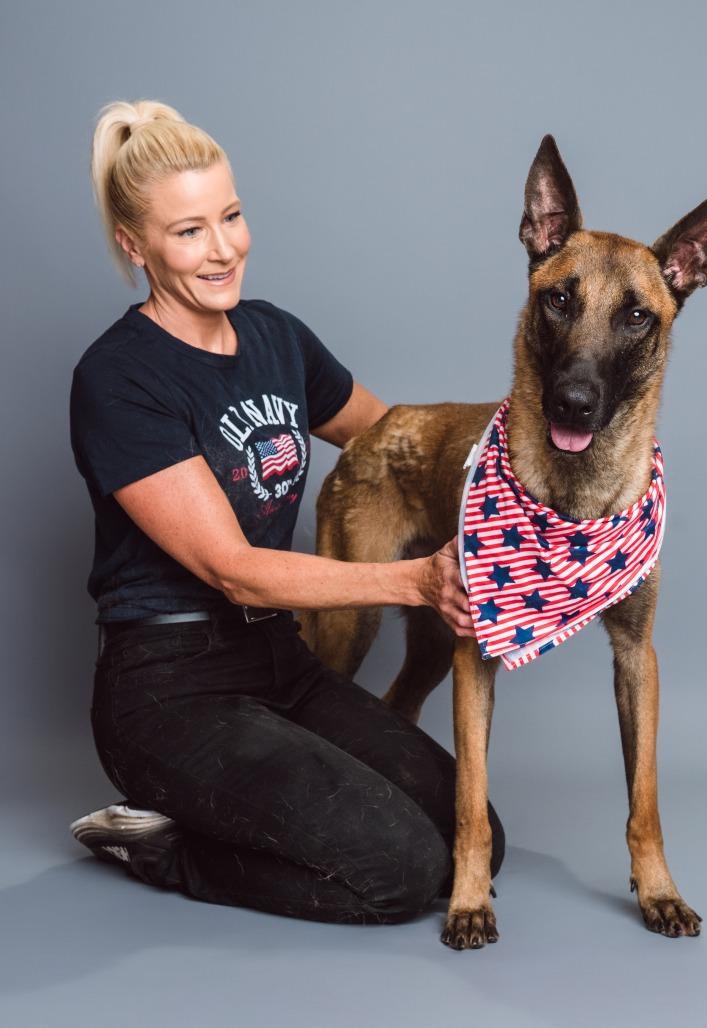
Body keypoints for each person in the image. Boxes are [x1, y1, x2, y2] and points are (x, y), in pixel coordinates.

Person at [67, 99, 504, 924]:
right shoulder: (119, 378)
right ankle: (163, 847)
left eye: (230, 215)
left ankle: (247, 808)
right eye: (189, 231)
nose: (225, 248)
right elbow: (232, 570)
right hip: (167, 690)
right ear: (136, 246)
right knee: (401, 875)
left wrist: (516, 453)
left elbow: (392, 440)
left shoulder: (275, 338)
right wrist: (416, 580)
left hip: (278, 667)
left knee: (476, 837)